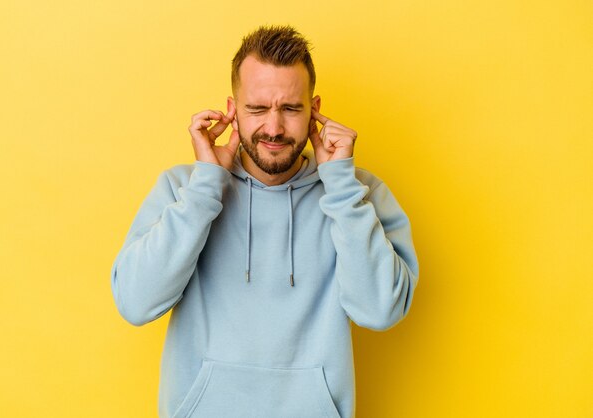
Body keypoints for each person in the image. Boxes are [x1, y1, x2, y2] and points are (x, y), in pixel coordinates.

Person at [111, 25, 419, 418]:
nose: (273, 128)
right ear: (232, 109)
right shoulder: (183, 189)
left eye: (290, 108)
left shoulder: (356, 195)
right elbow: (136, 303)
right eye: (257, 109)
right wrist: (206, 188)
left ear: (314, 109)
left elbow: (380, 312)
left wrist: (340, 186)